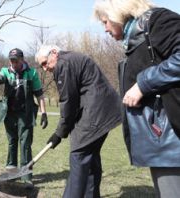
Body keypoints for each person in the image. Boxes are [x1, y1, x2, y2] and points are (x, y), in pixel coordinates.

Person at [93, 1, 180, 197]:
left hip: (173, 144)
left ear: (118, 13)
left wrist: (143, 84)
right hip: (162, 145)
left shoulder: (158, 21)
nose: (105, 28)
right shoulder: (137, 38)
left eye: (105, 21)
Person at [35, 45, 122, 197]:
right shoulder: (70, 59)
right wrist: (62, 132)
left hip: (95, 115)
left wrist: (59, 133)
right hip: (105, 114)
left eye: (45, 63)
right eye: (41, 65)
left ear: (54, 53)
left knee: (79, 157)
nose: (44, 69)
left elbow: (68, 102)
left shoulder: (63, 64)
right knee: (90, 162)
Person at [0, 48, 48, 188]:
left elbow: (39, 94)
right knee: (12, 142)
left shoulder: (31, 73)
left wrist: (44, 113)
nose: (13, 63)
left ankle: (26, 175)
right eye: (11, 60)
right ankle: (12, 173)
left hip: (26, 114)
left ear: (22, 59)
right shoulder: (6, 71)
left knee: (25, 144)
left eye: (16, 60)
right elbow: (0, 77)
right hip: (9, 114)